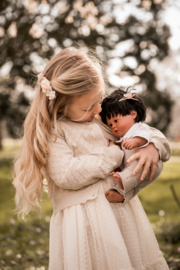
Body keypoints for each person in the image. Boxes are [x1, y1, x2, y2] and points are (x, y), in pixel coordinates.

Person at [13, 47, 171, 270]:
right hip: (83, 223)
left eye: (99, 100)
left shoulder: (97, 119)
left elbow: (141, 129)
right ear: (59, 104)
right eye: (89, 106)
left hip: (121, 215)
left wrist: (152, 147)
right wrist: (112, 154)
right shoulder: (55, 132)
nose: (99, 108)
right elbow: (66, 174)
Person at [100, 88, 163, 204]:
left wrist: (135, 142)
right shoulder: (124, 136)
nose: (113, 126)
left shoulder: (138, 127)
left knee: (135, 169)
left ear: (133, 113)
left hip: (147, 162)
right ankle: (122, 195)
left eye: (116, 120)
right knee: (134, 183)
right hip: (132, 165)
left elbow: (146, 135)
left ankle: (122, 180)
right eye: (110, 124)